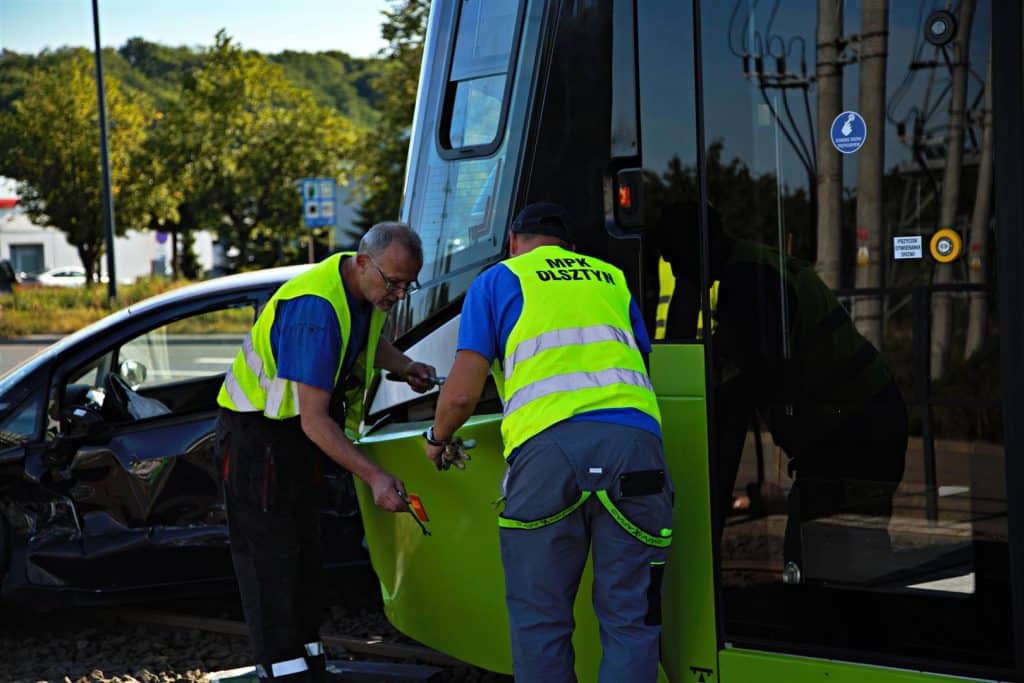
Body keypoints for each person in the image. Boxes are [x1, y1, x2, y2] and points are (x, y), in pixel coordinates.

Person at [425, 202, 673, 682]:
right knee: (632, 619)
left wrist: (437, 438)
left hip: (548, 456)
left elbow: (460, 395)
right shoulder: (611, 279)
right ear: (572, 249)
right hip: (637, 452)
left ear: (513, 242)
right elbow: (642, 364)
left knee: (541, 621)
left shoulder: (500, 279)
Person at [215, 222, 437, 682]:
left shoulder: (361, 294)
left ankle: (308, 661)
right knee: (270, 561)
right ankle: (283, 670)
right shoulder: (315, 310)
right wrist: (374, 476)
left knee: (303, 554)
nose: (398, 293)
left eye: (406, 285)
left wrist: (406, 366)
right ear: (362, 262)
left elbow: (366, 342)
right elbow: (315, 421)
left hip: (292, 440)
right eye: (392, 282)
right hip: (260, 442)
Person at [659, 202, 908, 584]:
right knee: (850, 550)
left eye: (677, 260)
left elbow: (742, 388)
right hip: (864, 420)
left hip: (852, 431)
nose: (676, 272)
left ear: (699, 247)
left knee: (819, 557)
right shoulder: (756, 266)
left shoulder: (747, 283)